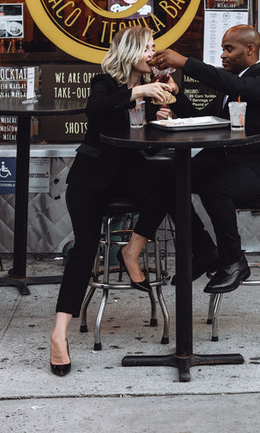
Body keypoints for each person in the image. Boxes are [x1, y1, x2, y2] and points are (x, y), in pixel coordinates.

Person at [49, 27, 176, 377]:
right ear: (132, 50)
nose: (154, 52)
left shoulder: (152, 92)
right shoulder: (103, 82)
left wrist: (160, 122)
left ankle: (132, 249)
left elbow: (145, 147)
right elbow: (96, 110)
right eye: (148, 47)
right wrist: (138, 91)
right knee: (84, 249)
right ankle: (59, 335)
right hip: (90, 180)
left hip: (127, 180)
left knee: (170, 181)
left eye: (154, 47)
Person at [154, 24, 260, 296]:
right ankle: (206, 251)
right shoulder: (231, 86)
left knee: (215, 185)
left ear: (250, 50)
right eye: (222, 48)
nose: (222, 55)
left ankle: (234, 260)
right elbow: (205, 119)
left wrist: (185, 63)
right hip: (230, 163)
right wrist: (176, 94)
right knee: (170, 179)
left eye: (229, 49)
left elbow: (239, 85)